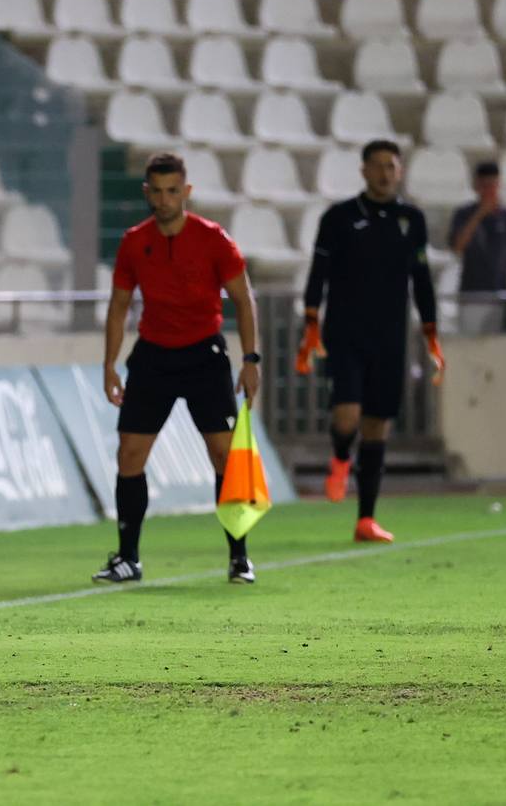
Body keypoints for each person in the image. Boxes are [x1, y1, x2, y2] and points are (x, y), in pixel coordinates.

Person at [96, 151, 262, 585]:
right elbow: (118, 307)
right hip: (152, 356)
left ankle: (239, 557)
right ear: (146, 191)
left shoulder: (215, 240)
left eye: (174, 190)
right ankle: (128, 558)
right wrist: (110, 364)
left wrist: (250, 359)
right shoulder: (135, 241)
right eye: (158, 190)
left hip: (204, 357)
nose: (165, 198)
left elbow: (244, 301)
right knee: (130, 455)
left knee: (224, 455)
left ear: (186, 191)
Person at [297, 140, 443, 543]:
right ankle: (341, 455)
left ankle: (366, 519)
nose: (384, 173)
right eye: (377, 166)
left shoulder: (411, 219)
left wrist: (431, 332)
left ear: (399, 172)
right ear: (363, 171)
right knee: (348, 417)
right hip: (344, 334)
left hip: (390, 337)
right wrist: (311, 322)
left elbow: (422, 280)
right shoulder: (339, 218)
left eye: (391, 167)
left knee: (378, 424)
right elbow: (317, 274)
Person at [449, 161, 506, 334]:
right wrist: (479, 214)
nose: (489, 190)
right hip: (472, 294)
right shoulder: (463, 213)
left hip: (500, 295)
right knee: (470, 346)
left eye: (493, 185)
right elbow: (458, 247)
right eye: (485, 186)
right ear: (476, 186)